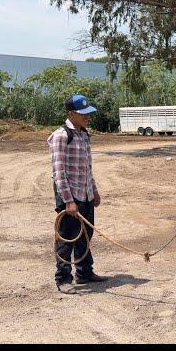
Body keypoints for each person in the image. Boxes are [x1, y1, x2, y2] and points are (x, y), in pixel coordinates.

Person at [48, 94, 108, 294]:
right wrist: (68, 201)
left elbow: (87, 168)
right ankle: (63, 278)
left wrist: (95, 191)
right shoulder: (61, 136)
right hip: (71, 197)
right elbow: (59, 172)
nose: (87, 117)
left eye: (88, 113)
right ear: (71, 113)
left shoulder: (84, 134)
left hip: (86, 194)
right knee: (67, 238)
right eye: (83, 114)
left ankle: (84, 272)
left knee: (85, 235)